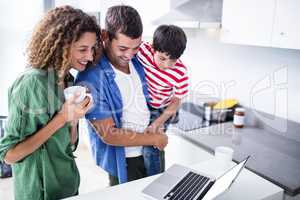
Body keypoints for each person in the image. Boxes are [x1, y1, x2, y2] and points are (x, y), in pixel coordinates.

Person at [0, 6, 101, 200]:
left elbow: (69, 145)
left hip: (68, 185)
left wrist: (73, 118)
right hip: (40, 192)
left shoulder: (69, 81)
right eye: (82, 49)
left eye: (92, 48)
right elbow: (9, 155)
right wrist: (62, 117)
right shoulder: (31, 83)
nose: (89, 56)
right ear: (62, 45)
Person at [75, 5, 168, 186]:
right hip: (126, 161)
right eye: (123, 48)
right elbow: (109, 135)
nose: (130, 54)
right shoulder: (90, 77)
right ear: (105, 36)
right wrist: (154, 138)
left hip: (152, 150)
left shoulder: (139, 60)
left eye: (136, 48)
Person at [137, 25, 189, 173]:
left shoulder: (180, 73)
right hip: (145, 103)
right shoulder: (142, 50)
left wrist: (157, 123)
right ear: (153, 47)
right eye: (162, 58)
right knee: (141, 144)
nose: (166, 65)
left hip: (164, 109)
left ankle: (156, 179)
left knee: (151, 146)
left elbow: (176, 101)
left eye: (172, 61)